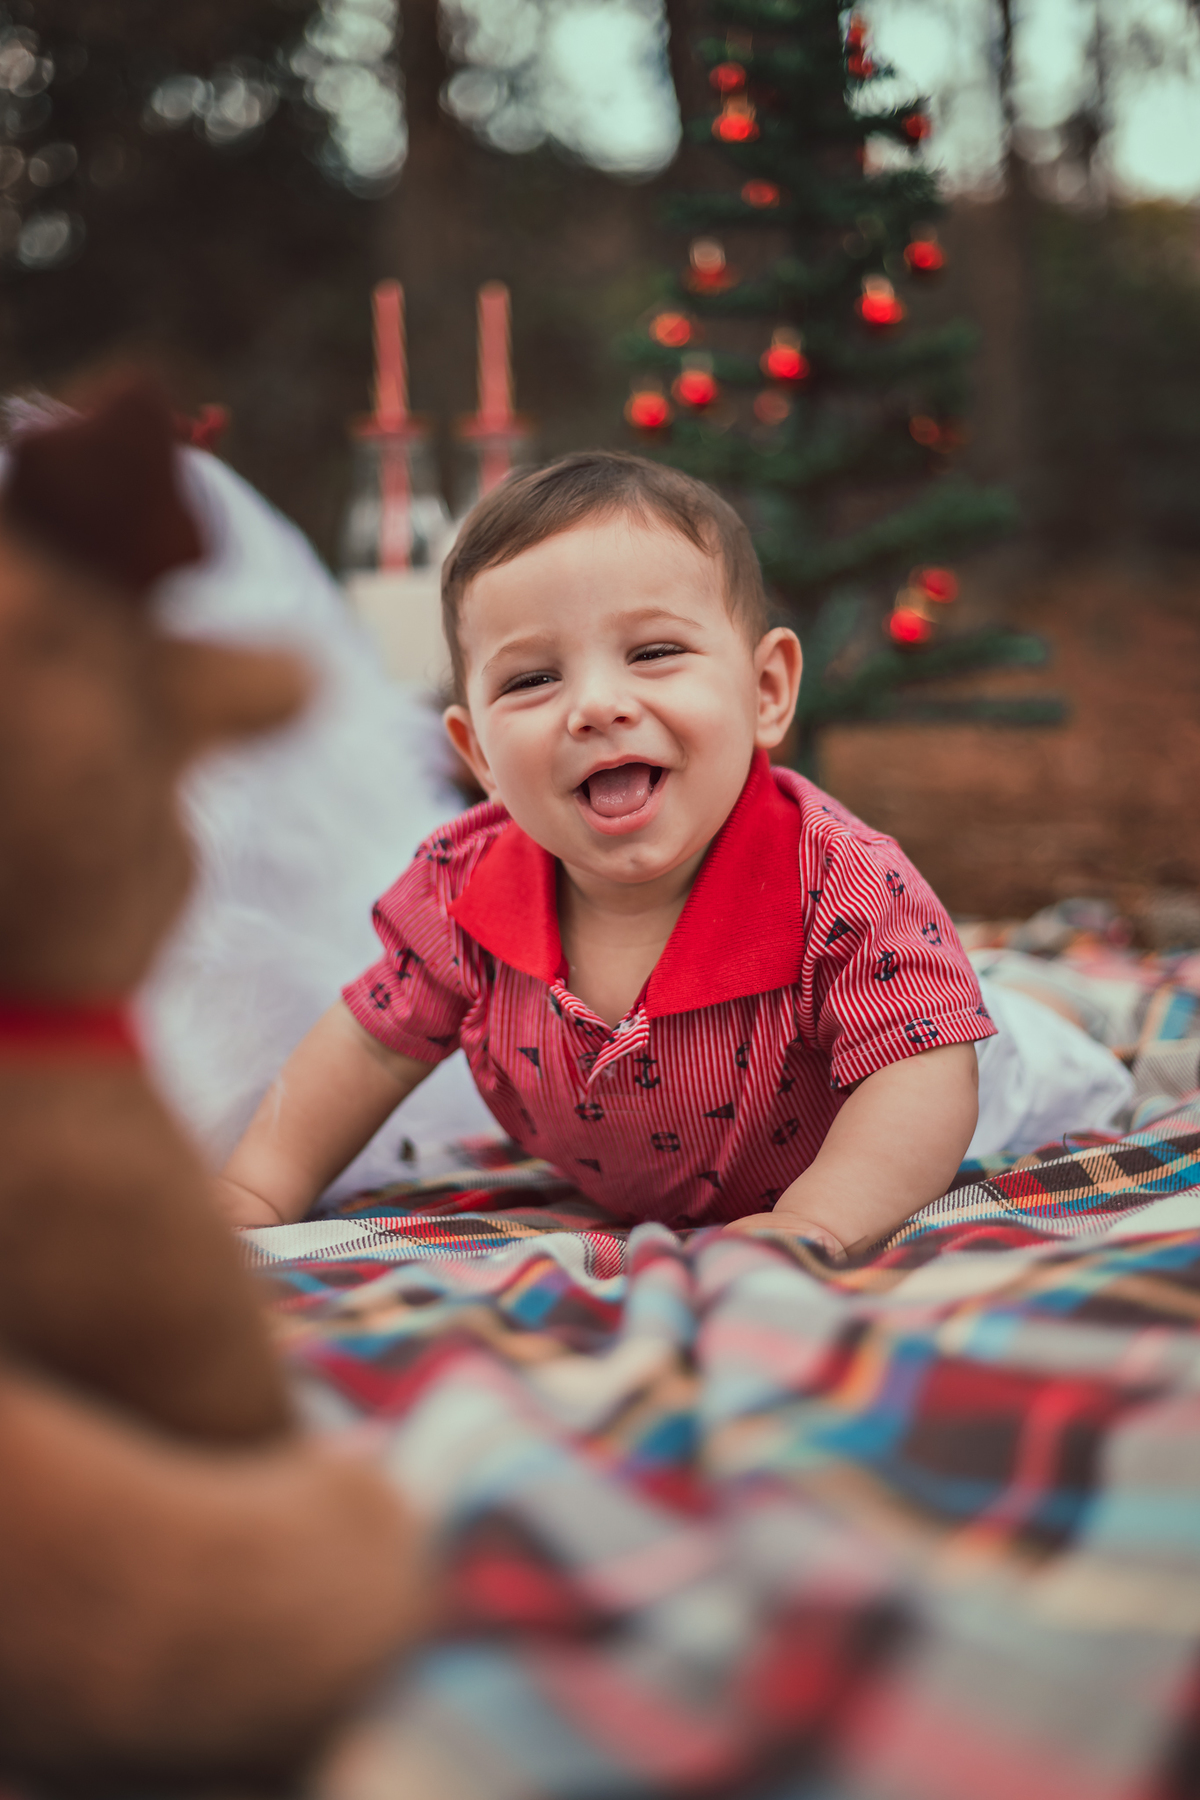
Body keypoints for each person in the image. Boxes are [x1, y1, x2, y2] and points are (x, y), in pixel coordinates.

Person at [219, 452, 1000, 1255]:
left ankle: (1040, 1007)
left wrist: (816, 1221)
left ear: (765, 690)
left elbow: (923, 1076)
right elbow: (368, 1049)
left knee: (1019, 1037)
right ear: (479, 755)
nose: (596, 706)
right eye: (531, 679)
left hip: (938, 1108)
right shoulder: (462, 893)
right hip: (653, 1176)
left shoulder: (838, 880)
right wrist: (256, 1187)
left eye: (654, 652)